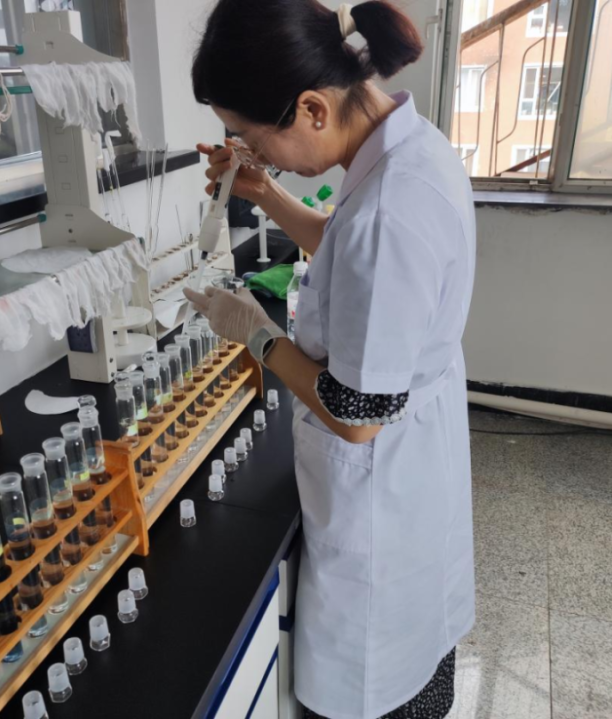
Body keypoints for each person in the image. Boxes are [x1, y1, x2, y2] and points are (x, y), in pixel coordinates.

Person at [184, 2, 476, 718]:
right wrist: (265, 192)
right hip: (417, 461)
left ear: (312, 108)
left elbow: (356, 414)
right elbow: (345, 246)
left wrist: (257, 335)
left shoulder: (390, 209)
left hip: (382, 487)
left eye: (254, 140)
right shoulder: (406, 149)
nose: (254, 154)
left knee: (377, 686)